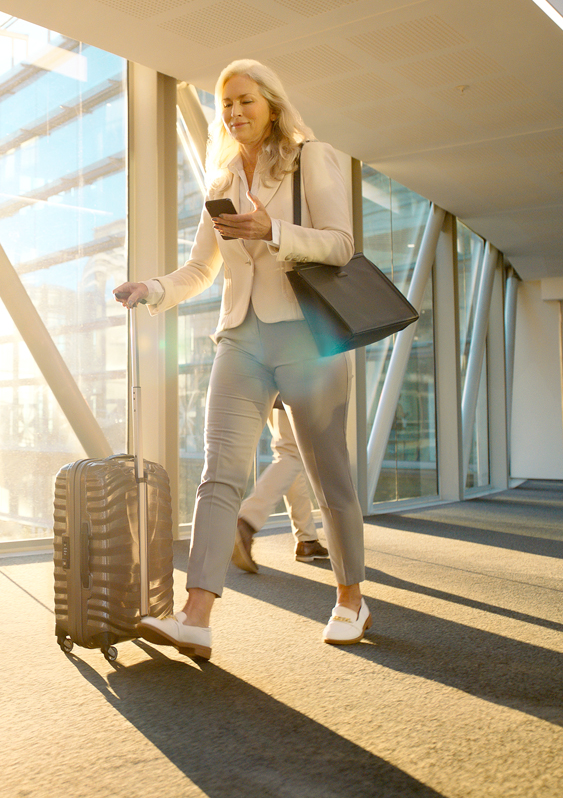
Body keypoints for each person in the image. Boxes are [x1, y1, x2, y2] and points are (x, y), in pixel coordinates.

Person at [113, 58, 370, 657]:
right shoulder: (224, 182)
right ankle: (194, 616)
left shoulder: (314, 159)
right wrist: (152, 289)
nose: (233, 112)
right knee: (219, 474)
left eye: (245, 100)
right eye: (226, 104)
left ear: (272, 104)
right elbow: (202, 268)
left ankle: (352, 600)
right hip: (241, 338)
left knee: (330, 475)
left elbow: (341, 245)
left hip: (309, 339)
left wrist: (273, 231)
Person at [232, 406, 329, 574]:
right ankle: (246, 521)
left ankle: (307, 539)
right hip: (291, 383)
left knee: (291, 455)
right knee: (290, 453)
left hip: (264, 383)